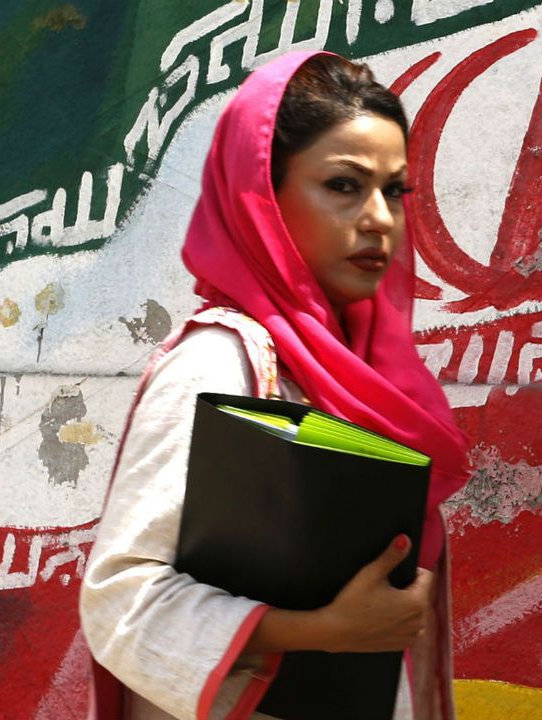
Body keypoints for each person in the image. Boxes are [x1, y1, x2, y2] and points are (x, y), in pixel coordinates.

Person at [79, 50, 470, 720]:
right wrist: (320, 633)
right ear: (263, 199)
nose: (379, 218)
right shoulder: (220, 363)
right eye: (345, 185)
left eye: (394, 190)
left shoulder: (365, 370)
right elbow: (122, 599)